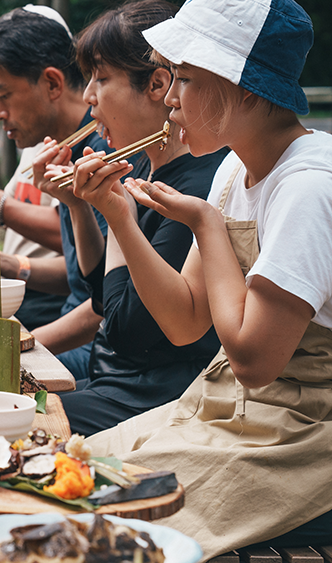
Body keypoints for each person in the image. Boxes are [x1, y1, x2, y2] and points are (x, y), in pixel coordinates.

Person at [78, 0, 332, 555]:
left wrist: (206, 225)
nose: (169, 98)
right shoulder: (237, 168)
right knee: (69, 472)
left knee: (110, 522)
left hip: (299, 429)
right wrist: (120, 214)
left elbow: (255, 362)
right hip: (224, 405)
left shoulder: (309, 185)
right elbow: (185, 321)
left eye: (186, 79)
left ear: (246, 88)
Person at [0, 6, 136, 378]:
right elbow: (80, 273)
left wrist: (13, 346)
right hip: (66, 324)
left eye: (3, 96)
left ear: (52, 84)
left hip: (93, 345)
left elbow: (101, 300)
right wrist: (3, 263)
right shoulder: (53, 145)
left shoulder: (98, 149)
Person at [41, 0, 226, 435]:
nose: (88, 97)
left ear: (159, 84)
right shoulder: (144, 166)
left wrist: (117, 213)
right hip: (113, 381)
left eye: (101, 78)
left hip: (153, 397)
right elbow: (104, 297)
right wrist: (79, 205)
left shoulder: (194, 189)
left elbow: (126, 329)